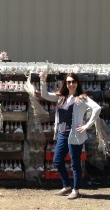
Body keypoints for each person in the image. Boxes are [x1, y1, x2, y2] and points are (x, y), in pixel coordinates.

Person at [39, 71, 101, 199]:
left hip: (75, 135)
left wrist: (86, 125)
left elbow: (97, 108)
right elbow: (44, 95)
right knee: (57, 160)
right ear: (65, 84)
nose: (71, 84)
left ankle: (76, 190)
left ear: (77, 83)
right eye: (68, 82)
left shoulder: (82, 98)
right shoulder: (61, 97)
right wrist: (43, 81)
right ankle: (66, 186)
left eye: (73, 81)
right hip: (62, 133)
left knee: (75, 163)